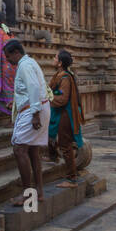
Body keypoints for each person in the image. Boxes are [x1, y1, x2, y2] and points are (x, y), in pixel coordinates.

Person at [6, 39, 49, 206]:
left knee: (19, 149)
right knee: (32, 150)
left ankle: (27, 194)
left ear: (17, 53)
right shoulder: (30, 62)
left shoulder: (24, 66)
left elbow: (34, 87)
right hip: (34, 107)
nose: (8, 60)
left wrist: (35, 114)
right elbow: (29, 88)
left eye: (8, 56)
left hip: (33, 110)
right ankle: (38, 191)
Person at [48, 49, 84, 182]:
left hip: (66, 114)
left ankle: (71, 177)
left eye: (55, 57)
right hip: (61, 113)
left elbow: (63, 99)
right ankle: (53, 156)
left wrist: (48, 98)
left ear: (60, 63)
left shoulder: (65, 78)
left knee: (65, 145)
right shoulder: (60, 75)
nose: (53, 59)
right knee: (59, 140)